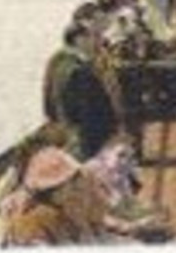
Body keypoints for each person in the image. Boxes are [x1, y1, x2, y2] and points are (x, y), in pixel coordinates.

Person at [42, 20, 119, 161]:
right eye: (90, 37)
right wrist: (111, 131)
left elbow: (48, 99)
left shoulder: (57, 63)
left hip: (68, 130)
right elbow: (92, 109)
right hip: (85, 138)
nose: (95, 42)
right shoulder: (80, 71)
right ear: (79, 39)